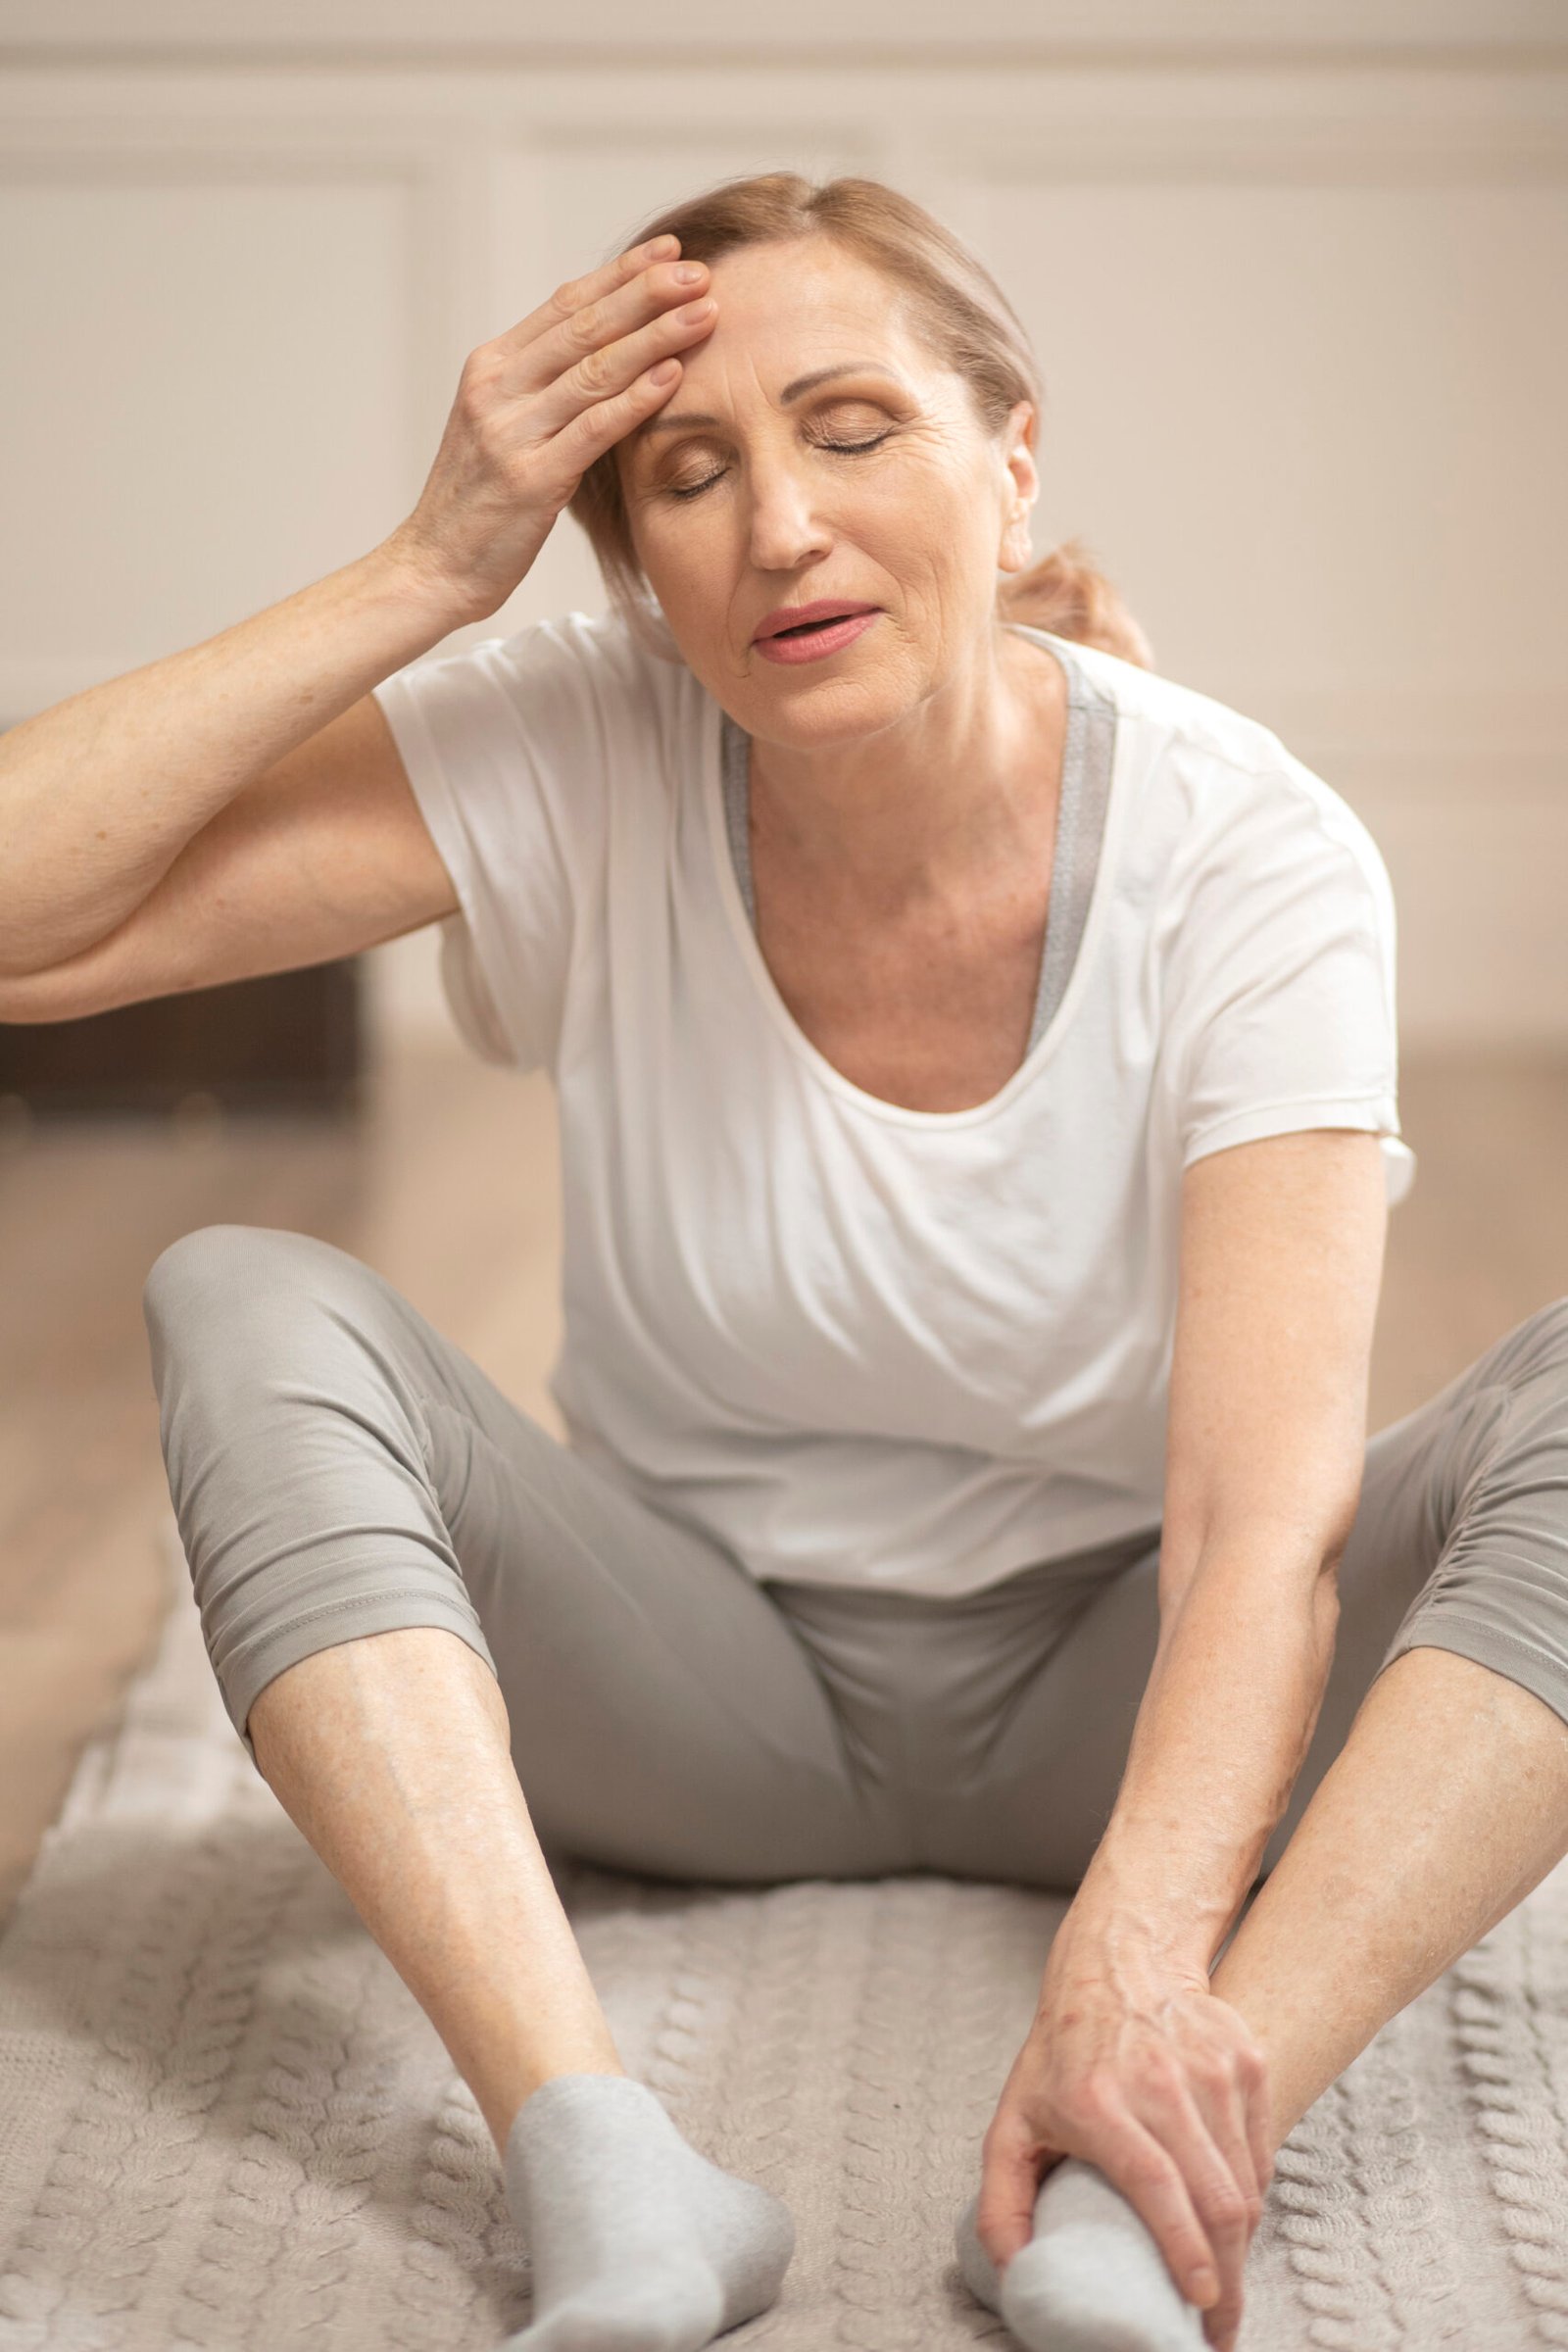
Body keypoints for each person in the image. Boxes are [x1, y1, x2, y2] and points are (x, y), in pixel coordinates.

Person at [3, 167, 1566, 2352]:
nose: (778, 528)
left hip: (1107, 1682)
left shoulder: (1249, 849)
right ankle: (601, 2156)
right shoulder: (576, 743)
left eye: (850, 428)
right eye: (684, 474)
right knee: (237, 1296)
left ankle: (1151, 2151)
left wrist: (1125, 1966)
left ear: (1005, 458)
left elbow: (1251, 1521)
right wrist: (425, 568)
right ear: (635, 565)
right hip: (687, 1688)